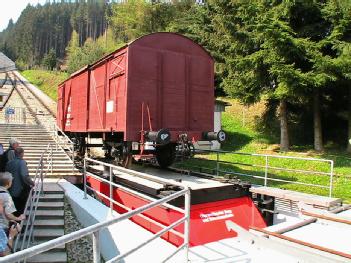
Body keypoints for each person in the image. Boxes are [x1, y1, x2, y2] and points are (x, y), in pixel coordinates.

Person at [6, 148, 34, 215]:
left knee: (13, 210)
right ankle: (18, 223)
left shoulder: (9, 163)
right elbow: (24, 175)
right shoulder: (22, 162)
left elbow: (7, 174)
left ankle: (14, 223)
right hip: (20, 191)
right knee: (20, 209)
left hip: (11, 190)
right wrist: (31, 182)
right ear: (22, 154)